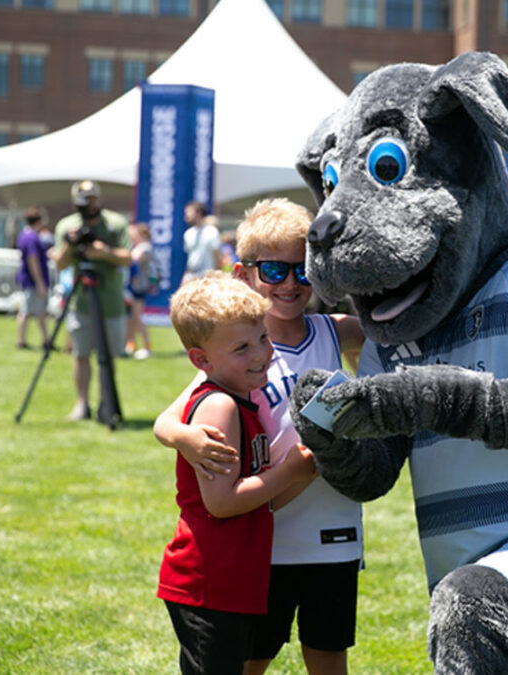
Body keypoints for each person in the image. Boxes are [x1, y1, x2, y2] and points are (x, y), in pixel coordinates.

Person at [155, 198, 366, 675]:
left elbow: (394, 328)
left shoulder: (332, 332)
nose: (290, 283)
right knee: (251, 658)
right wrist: (187, 440)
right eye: (274, 269)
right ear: (244, 273)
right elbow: (165, 421)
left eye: (304, 269)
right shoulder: (233, 353)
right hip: (262, 542)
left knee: (329, 652)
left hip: (332, 529)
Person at [158, 272, 317, 675]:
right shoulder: (220, 407)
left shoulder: (244, 401)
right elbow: (223, 502)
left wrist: (310, 472)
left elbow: (255, 502)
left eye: (262, 338)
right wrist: (290, 471)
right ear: (202, 360)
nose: (261, 353)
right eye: (242, 347)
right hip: (209, 582)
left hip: (230, 583)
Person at [50, 180, 132, 421]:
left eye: (94, 198)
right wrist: (69, 242)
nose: (91, 204)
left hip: (110, 300)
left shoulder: (115, 224)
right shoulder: (67, 226)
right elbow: (59, 263)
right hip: (81, 300)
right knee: (81, 353)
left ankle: (106, 403)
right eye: (85, 200)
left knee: (107, 356)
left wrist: (103, 252)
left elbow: (128, 258)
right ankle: (82, 403)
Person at [15, 206, 51, 349]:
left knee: (40, 312)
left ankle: (46, 340)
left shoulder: (25, 235)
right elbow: (33, 260)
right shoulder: (32, 238)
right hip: (32, 282)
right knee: (26, 312)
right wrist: (40, 282)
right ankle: (21, 341)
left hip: (28, 280)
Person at [125, 223, 157, 360]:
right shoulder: (138, 247)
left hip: (139, 287)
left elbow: (133, 259)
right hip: (133, 286)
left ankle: (147, 347)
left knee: (138, 318)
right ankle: (130, 345)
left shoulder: (145, 247)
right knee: (131, 318)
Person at [181, 202, 222, 285]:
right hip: (191, 277)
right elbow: (191, 257)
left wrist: (217, 277)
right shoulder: (188, 234)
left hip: (207, 278)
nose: (186, 216)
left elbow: (217, 255)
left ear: (198, 213)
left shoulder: (211, 231)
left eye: (189, 212)